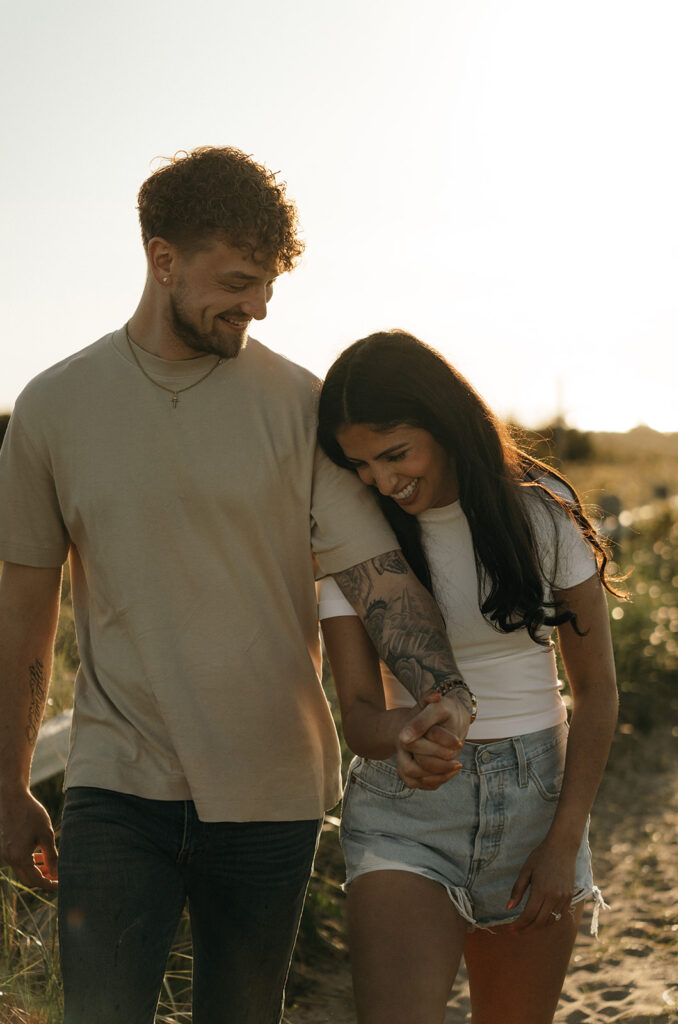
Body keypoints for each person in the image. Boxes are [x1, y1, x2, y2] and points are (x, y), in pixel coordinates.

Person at [0, 151, 471, 1024]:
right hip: (115, 787)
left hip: (271, 788)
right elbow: (26, 610)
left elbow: (375, 579)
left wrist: (440, 695)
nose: (257, 307)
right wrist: (5, 780)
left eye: (267, 287)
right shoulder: (52, 407)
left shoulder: (300, 406)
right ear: (162, 259)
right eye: (240, 281)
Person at [316, 330, 620, 1024]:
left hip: (538, 809)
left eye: (395, 454)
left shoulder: (539, 515)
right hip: (405, 816)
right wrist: (406, 732)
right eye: (359, 465)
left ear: (445, 423)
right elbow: (359, 714)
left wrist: (562, 843)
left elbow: (597, 693)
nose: (382, 481)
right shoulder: (355, 543)